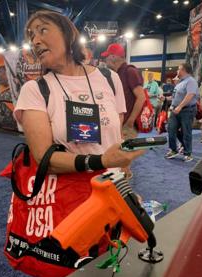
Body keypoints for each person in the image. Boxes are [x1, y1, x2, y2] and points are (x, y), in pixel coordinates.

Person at [14, 11, 144, 198]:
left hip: (114, 188)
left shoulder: (109, 78)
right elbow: (44, 160)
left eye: (42, 30)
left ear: (69, 34)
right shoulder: (34, 90)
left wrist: (121, 161)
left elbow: (114, 135)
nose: (35, 41)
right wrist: (102, 161)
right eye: (32, 35)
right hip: (68, 197)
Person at [101, 43, 146, 179]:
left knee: (122, 162)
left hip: (127, 124)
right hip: (122, 123)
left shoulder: (129, 71)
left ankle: (123, 194)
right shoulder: (118, 73)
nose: (105, 60)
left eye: (107, 56)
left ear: (114, 57)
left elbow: (141, 97)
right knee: (118, 161)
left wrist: (130, 121)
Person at [165, 63, 198, 162]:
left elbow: (190, 95)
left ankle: (188, 153)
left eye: (178, 69)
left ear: (184, 70)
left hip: (187, 110)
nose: (177, 71)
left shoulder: (191, 81)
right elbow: (176, 97)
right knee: (171, 129)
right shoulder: (180, 82)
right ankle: (173, 150)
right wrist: (166, 98)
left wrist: (180, 106)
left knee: (186, 131)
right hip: (176, 110)